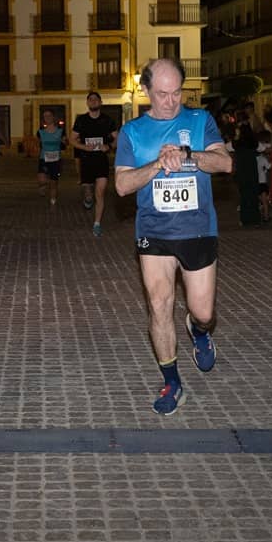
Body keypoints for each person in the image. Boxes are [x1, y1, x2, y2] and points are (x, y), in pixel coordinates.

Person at [114, 58, 232, 415]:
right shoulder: (132, 132)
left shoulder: (200, 121)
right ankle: (172, 382)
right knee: (159, 304)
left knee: (204, 311)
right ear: (146, 91)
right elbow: (122, 185)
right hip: (154, 232)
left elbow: (225, 163)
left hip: (197, 229)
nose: (170, 101)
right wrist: (156, 165)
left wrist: (186, 155)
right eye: (162, 94)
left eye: (177, 92)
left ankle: (199, 330)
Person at [72, 91, 118, 237]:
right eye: (90, 100)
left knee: (100, 193)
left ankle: (97, 223)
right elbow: (72, 139)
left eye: (96, 99)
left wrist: (109, 146)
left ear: (100, 103)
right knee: (88, 192)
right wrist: (84, 147)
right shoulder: (81, 120)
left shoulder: (107, 120)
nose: (93, 101)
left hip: (101, 161)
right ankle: (87, 198)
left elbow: (118, 139)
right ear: (87, 103)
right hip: (86, 160)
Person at [232, 123, 261, 227]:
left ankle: (244, 219)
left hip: (242, 171)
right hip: (252, 170)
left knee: (244, 195)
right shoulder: (254, 142)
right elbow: (262, 148)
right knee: (253, 195)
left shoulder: (237, 143)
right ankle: (256, 219)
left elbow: (227, 147)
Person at [36, 109, 66, 206]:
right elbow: (38, 144)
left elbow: (66, 142)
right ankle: (43, 185)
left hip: (56, 159)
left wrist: (64, 141)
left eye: (49, 115)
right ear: (43, 119)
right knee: (42, 180)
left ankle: (53, 201)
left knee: (54, 183)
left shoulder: (61, 131)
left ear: (53, 117)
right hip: (44, 158)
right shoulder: (40, 132)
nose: (47, 117)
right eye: (45, 116)